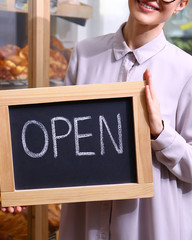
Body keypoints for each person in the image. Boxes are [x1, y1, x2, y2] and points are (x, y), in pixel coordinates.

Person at [58, 0, 192, 239]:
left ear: (181, 3)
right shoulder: (84, 53)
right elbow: (63, 139)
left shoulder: (186, 71)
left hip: (150, 226)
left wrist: (160, 133)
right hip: (84, 222)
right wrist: (23, 176)